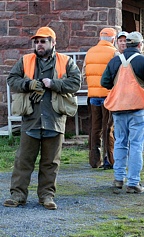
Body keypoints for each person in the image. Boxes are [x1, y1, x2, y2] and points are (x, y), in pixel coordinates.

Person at [4, 26, 81, 209]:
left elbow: (76, 83)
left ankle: (46, 196)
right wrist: (28, 84)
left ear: (53, 43)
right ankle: (17, 196)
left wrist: (53, 83)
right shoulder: (26, 60)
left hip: (54, 120)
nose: (39, 45)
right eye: (36, 41)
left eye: (43, 41)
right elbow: (11, 79)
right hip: (31, 119)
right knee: (23, 161)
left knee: (50, 163)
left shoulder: (66, 61)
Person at [101, 31, 144, 193]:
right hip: (137, 108)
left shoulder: (114, 61)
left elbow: (104, 82)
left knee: (120, 142)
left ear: (126, 44)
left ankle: (118, 179)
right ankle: (133, 182)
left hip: (118, 109)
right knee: (135, 145)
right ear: (140, 45)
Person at [82, 28, 118, 169]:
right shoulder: (113, 53)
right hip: (108, 95)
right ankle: (110, 160)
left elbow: (84, 73)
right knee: (108, 128)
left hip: (92, 95)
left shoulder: (90, 52)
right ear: (113, 39)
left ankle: (94, 161)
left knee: (94, 128)